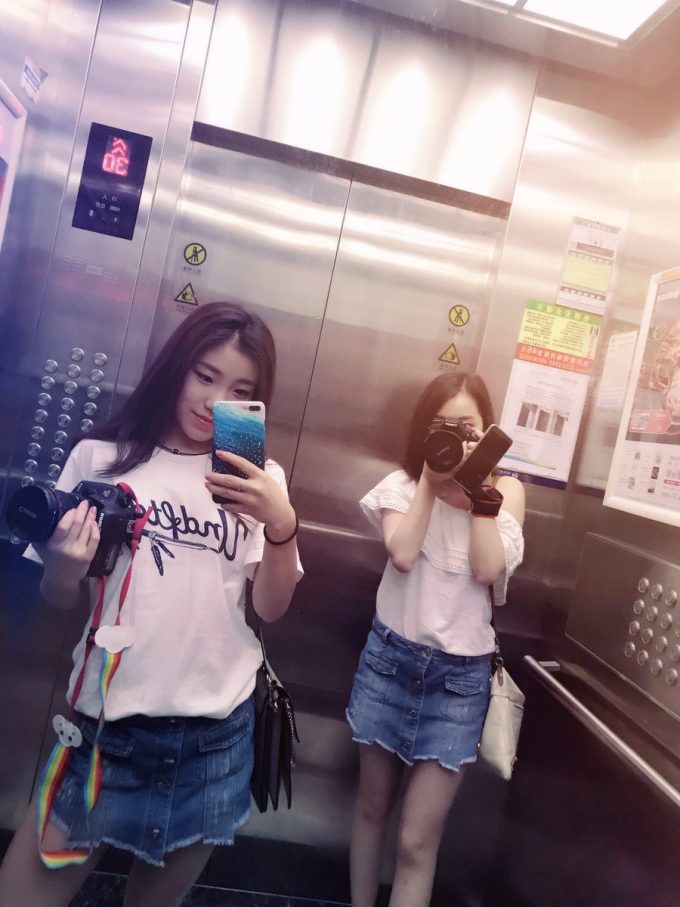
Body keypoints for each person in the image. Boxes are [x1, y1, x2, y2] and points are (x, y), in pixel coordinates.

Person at [0, 302, 302, 907]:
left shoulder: (257, 479)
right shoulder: (101, 457)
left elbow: (270, 608)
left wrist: (281, 524)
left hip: (214, 743)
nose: (214, 400)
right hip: (103, 733)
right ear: (176, 367)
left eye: (240, 391)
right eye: (204, 375)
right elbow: (58, 597)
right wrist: (64, 565)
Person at [346, 371, 525, 907]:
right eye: (441, 427)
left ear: (487, 431)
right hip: (389, 662)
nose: (456, 438)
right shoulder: (400, 486)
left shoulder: (507, 492)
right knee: (372, 808)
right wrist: (429, 481)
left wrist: (479, 495)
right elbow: (402, 554)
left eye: (467, 428)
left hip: (459, 683)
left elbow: (487, 569)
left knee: (416, 840)